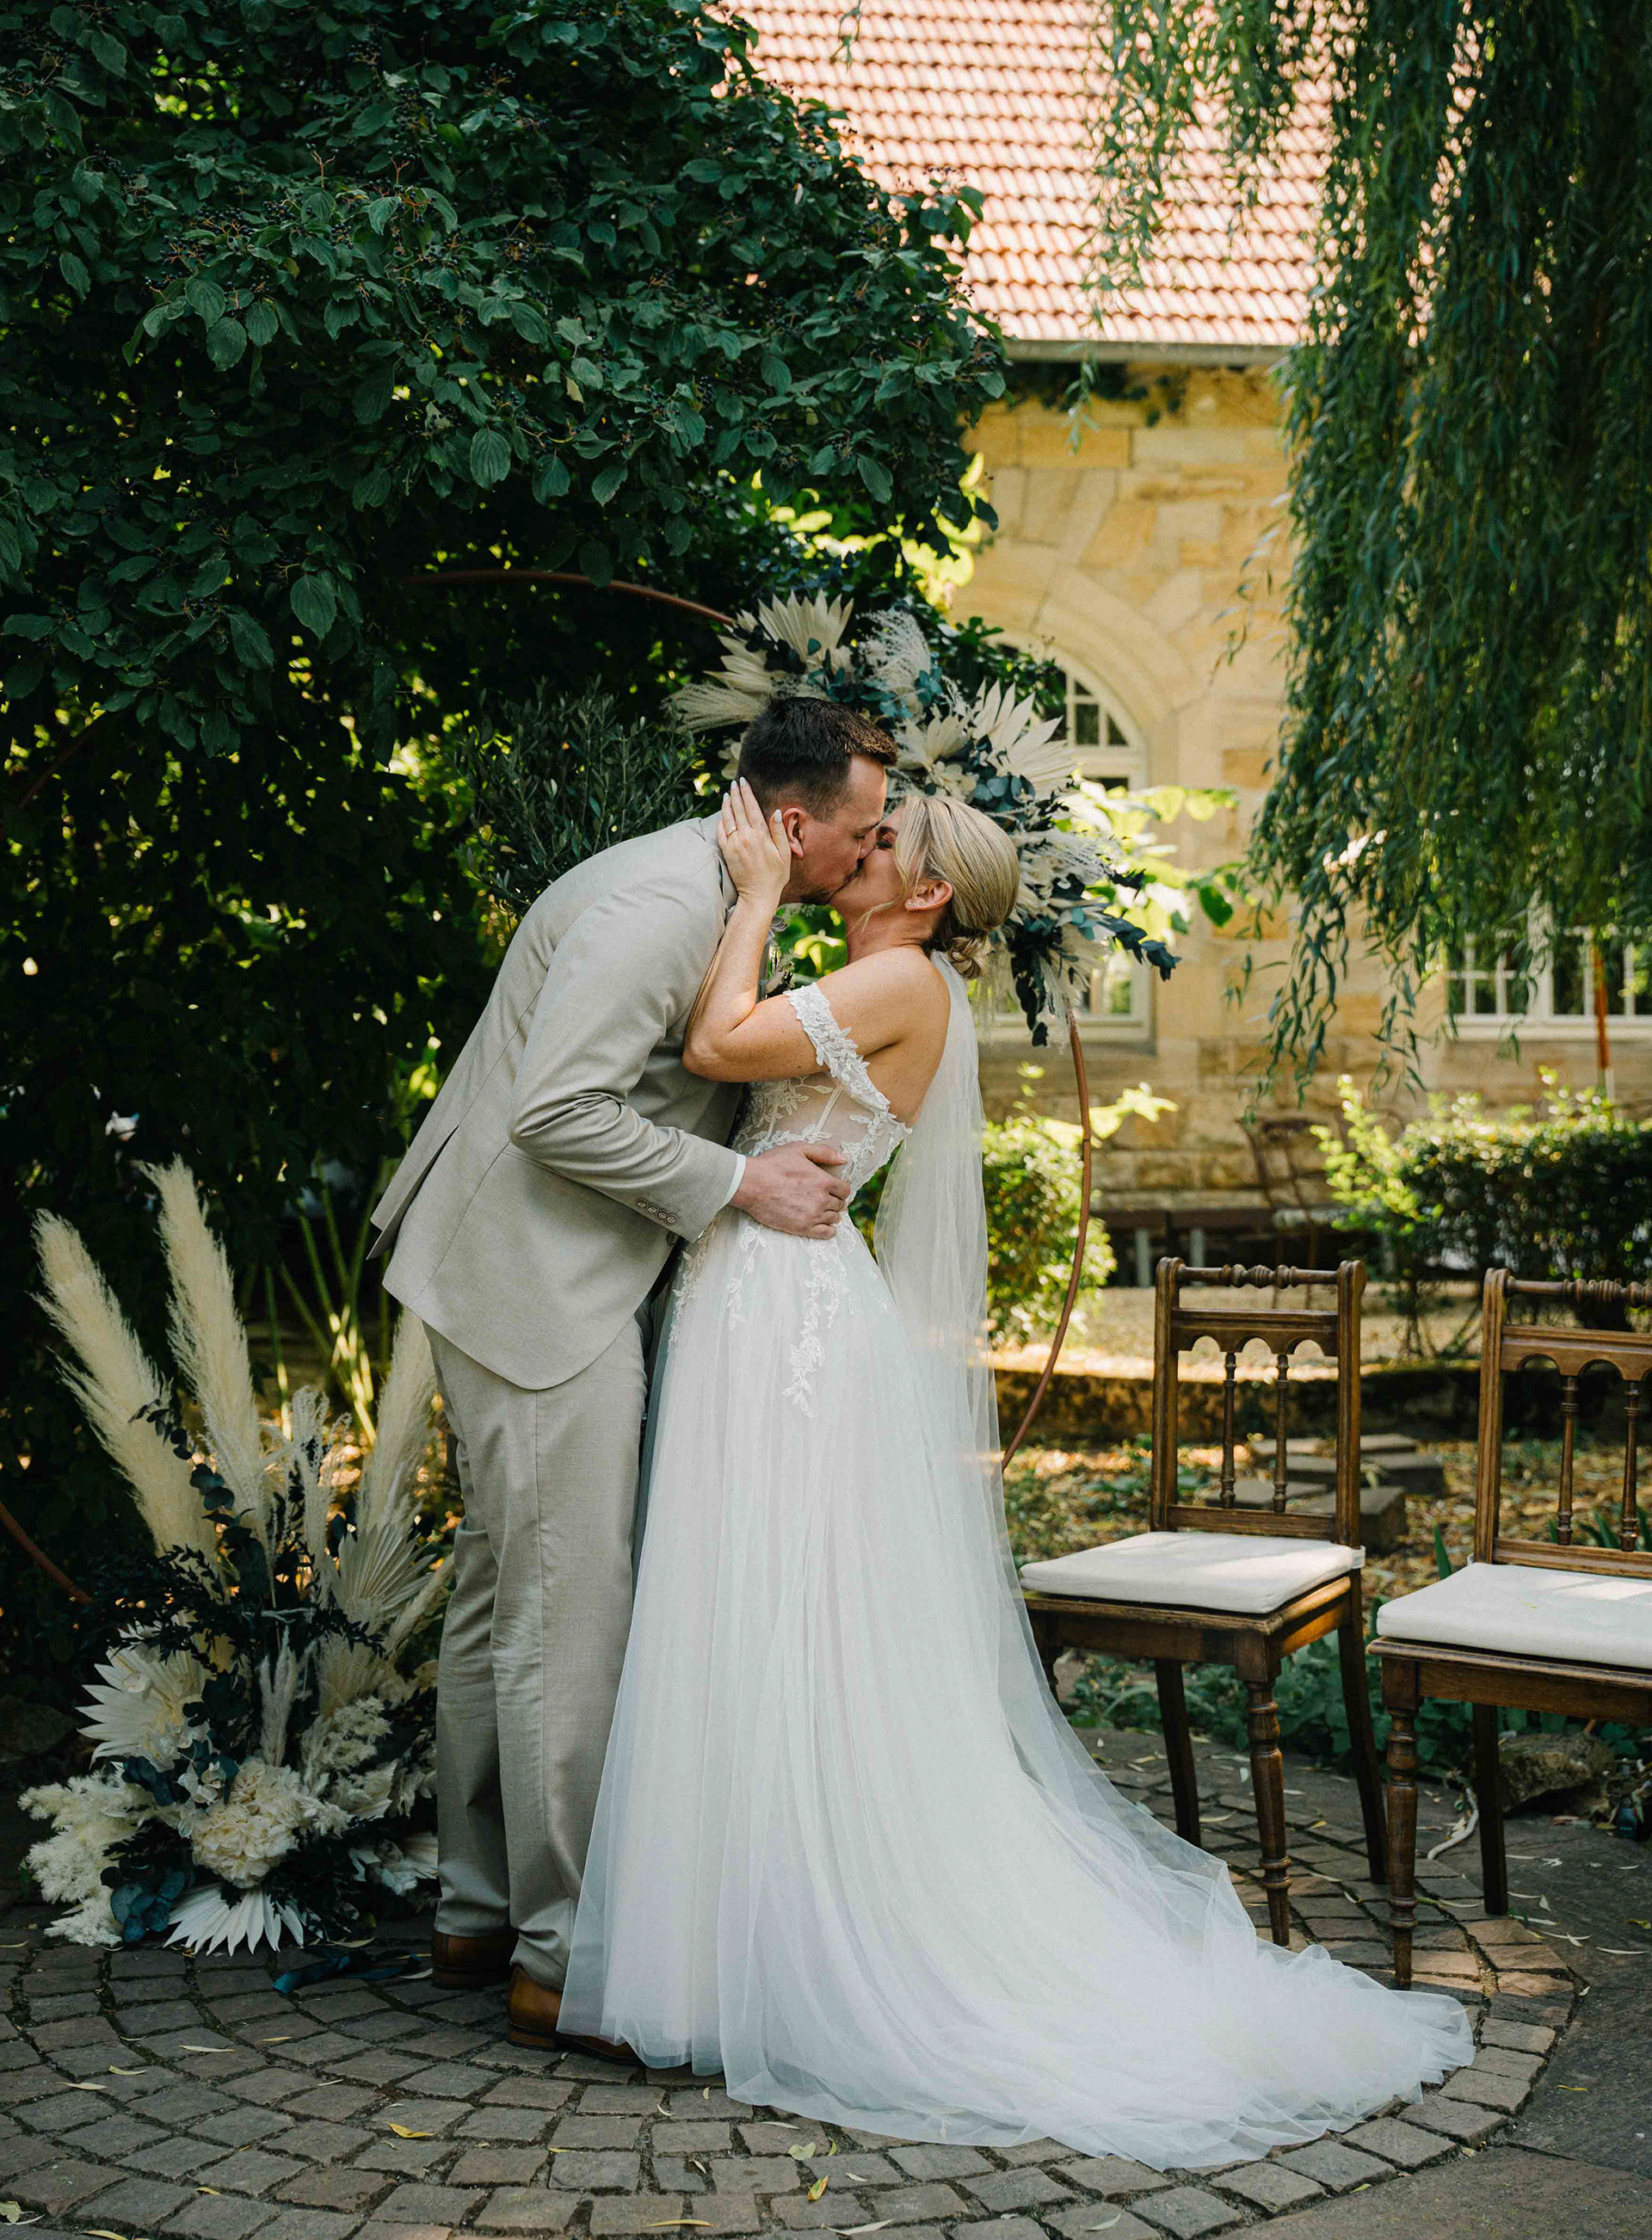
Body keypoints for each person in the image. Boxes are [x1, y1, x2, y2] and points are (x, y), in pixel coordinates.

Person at [558, 780, 1474, 2163]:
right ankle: (723, 1937)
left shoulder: (900, 981)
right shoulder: (891, 975)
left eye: (885, 843)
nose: (860, 849)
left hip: (787, 1315)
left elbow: (714, 1041)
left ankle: (776, 1944)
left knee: (777, 1601)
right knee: (747, 1604)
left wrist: (752, 891)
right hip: (764, 1296)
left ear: (928, 892)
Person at [368, 698, 896, 2048]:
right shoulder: (661, 908)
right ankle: (563, 1953)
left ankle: (478, 1910)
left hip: (533, 1266)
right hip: (533, 1280)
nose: (868, 855)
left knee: (503, 1592)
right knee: (569, 1607)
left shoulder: (716, 887)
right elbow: (558, 1110)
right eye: (860, 833)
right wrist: (740, 1185)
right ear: (795, 825)